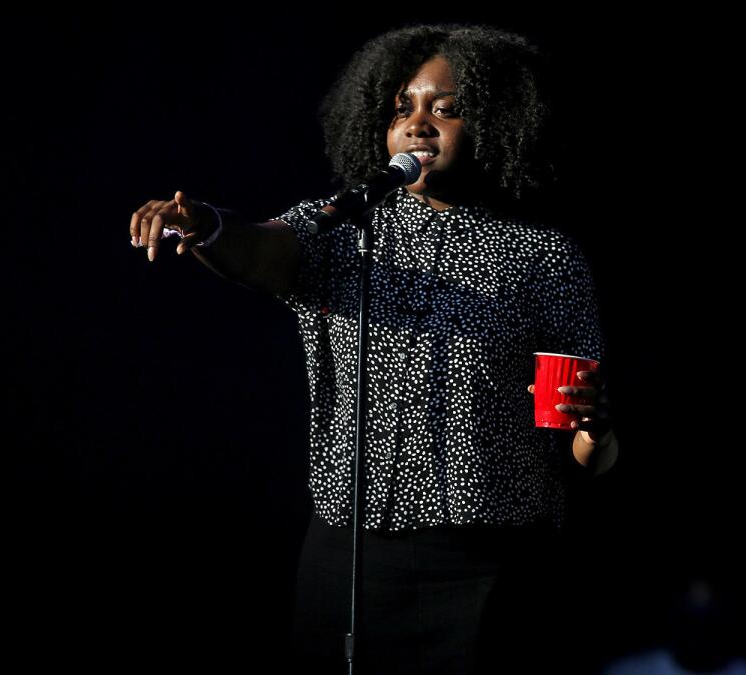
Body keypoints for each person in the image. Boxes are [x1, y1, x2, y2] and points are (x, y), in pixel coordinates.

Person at [127, 24, 618, 673]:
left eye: (445, 108)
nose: (418, 123)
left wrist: (594, 431)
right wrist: (206, 225)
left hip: (485, 570)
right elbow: (263, 249)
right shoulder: (342, 226)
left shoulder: (543, 258)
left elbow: (589, 453)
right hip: (348, 562)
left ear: (499, 122)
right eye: (402, 108)